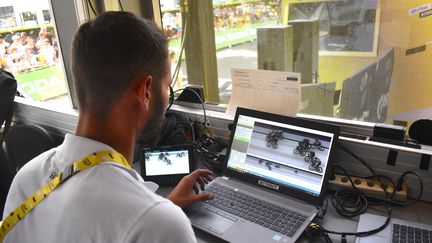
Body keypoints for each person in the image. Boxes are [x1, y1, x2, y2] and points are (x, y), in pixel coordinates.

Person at [2, 11, 214, 243]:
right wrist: (158, 215)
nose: (166, 98)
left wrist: (160, 208)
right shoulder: (161, 226)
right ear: (145, 91)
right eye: (167, 87)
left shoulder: (26, 178)